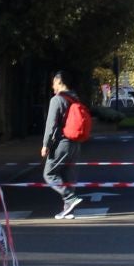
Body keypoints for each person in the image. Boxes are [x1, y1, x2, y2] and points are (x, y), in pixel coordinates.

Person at [40, 71, 84, 220]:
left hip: (61, 143)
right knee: (68, 175)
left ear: (59, 82)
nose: (52, 87)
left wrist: (46, 144)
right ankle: (68, 210)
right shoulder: (74, 98)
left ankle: (70, 199)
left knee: (49, 173)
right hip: (75, 143)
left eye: (53, 83)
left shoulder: (57, 100)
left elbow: (50, 124)